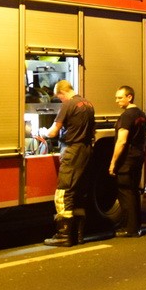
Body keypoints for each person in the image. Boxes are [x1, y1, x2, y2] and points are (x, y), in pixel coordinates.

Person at [40, 80, 94, 247]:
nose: (60, 100)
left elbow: (54, 131)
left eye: (59, 97)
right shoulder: (88, 104)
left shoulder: (68, 105)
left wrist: (43, 132)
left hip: (71, 150)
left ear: (62, 92)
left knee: (64, 193)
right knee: (78, 192)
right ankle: (78, 235)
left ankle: (64, 235)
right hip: (86, 150)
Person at [109, 85, 146, 238]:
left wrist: (113, 163)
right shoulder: (141, 114)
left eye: (120, 97)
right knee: (133, 192)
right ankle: (136, 227)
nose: (117, 101)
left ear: (129, 97)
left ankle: (129, 228)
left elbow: (122, 141)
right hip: (137, 157)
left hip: (126, 159)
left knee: (126, 194)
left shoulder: (126, 116)